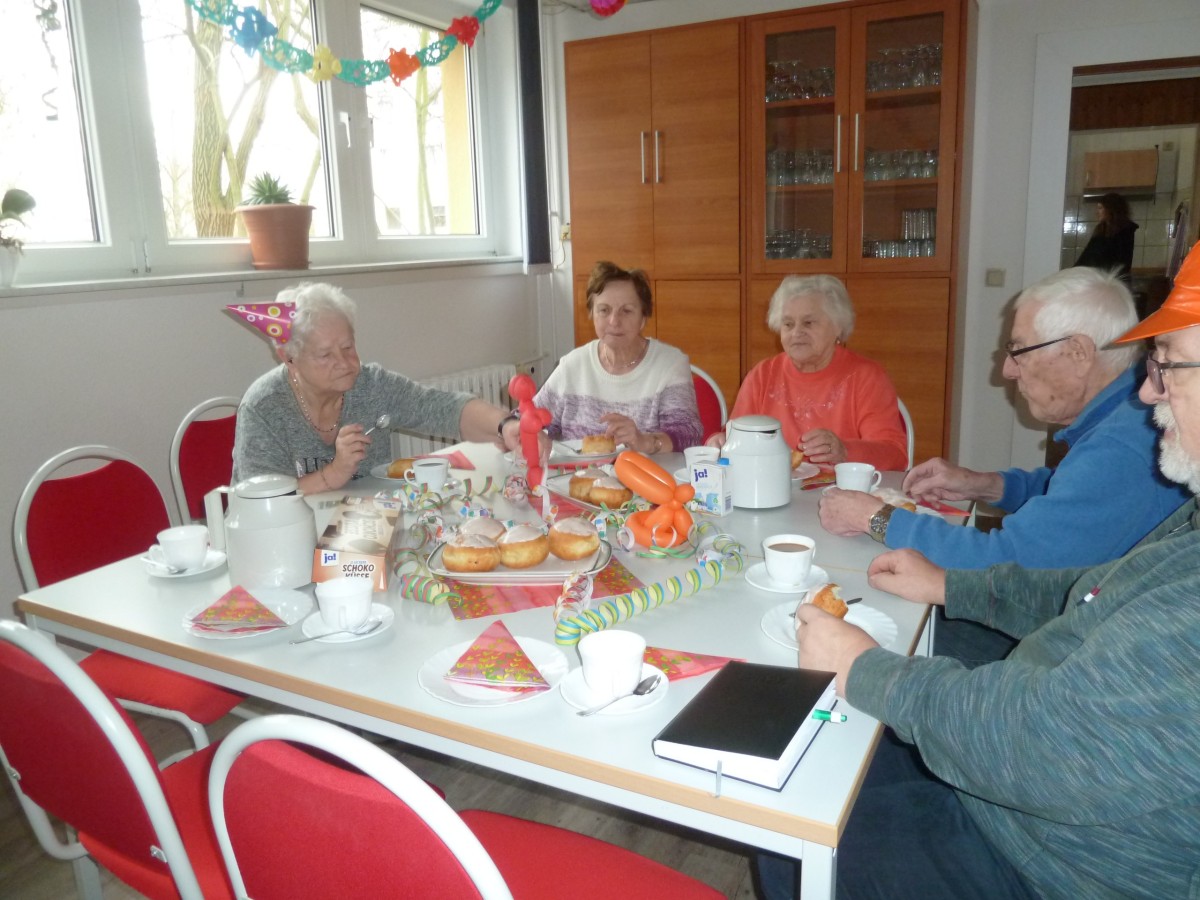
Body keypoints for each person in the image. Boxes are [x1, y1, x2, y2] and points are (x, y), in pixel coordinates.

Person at [758, 241, 1200, 900]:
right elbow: (1086, 584)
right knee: (837, 743)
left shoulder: (1132, 453)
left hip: (1053, 861)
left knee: (795, 825)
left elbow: (1041, 744)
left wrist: (867, 667)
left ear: (1079, 353)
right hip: (1054, 762)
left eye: (1168, 364)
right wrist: (957, 563)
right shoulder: (1162, 489)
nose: (1147, 388)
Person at [818, 267, 1189, 571]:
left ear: (1078, 353)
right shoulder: (1125, 416)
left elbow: (1003, 562)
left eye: (1019, 350)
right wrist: (983, 485)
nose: (1007, 371)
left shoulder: (1122, 447)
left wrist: (875, 517)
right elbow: (1069, 495)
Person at [230, 282, 536, 492]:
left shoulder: (371, 385)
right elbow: (259, 498)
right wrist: (333, 474)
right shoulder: (264, 407)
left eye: (348, 347)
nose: (345, 362)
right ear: (289, 357)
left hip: (365, 533)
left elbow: (444, 408)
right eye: (325, 355)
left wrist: (505, 425)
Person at [712, 274, 907, 470]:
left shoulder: (867, 378)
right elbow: (733, 439)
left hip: (843, 487)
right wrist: (718, 442)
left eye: (808, 323)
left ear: (838, 326)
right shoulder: (762, 376)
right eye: (788, 324)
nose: (796, 332)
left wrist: (845, 451)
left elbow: (895, 455)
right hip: (770, 485)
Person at [533, 261, 701, 453]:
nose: (614, 321)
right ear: (592, 314)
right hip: (576, 473)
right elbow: (527, 417)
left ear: (643, 317)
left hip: (646, 472)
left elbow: (689, 435)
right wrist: (523, 429)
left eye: (626, 311)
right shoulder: (572, 366)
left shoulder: (670, 365)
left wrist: (645, 441)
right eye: (604, 310)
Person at [1074, 192, 1138, 283]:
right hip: (1100, 281)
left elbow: (1119, 265)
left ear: (1110, 210)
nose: (1097, 212)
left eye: (1100, 208)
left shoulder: (1124, 233)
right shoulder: (1102, 229)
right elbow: (1087, 257)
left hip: (1109, 283)